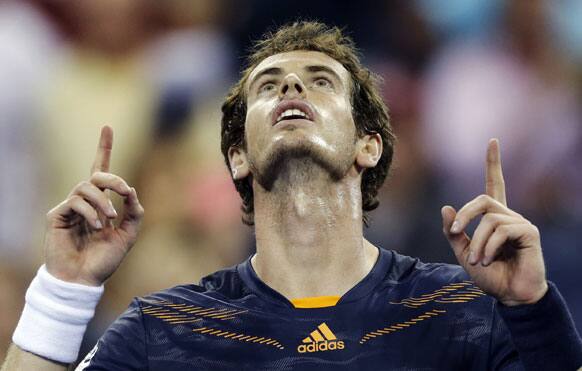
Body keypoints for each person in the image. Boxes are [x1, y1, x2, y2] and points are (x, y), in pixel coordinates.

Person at [2, 21, 582, 371]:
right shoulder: (166, 328)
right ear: (238, 156)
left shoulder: (465, 314)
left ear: (368, 147)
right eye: (269, 84)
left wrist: (532, 311)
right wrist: (63, 291)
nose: (292, 86)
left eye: (321, 80)